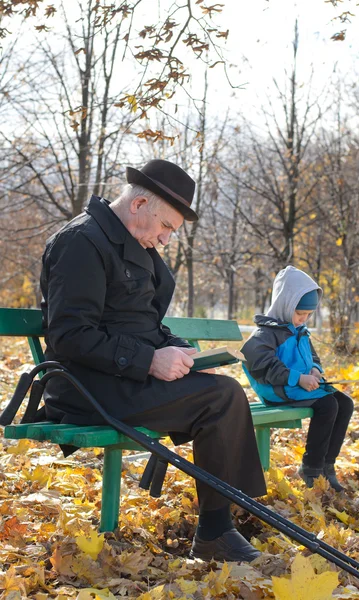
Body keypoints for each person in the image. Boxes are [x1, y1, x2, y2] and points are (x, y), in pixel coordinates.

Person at [39, 159, 266, 561]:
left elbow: (145, 324)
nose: (165, 240)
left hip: (123, 378)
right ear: (139, 203)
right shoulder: (81, 243)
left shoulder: (134, 244)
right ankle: (217, 529)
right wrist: (149, 361)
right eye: (166, 228)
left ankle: (226, 519)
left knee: (222, 392)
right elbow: (69, 335)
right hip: (83, 386)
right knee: (222, 397)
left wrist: (183, 353)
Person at [241, 266, 354, 492]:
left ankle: (326, 466)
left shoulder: (299, 329)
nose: (303, 320)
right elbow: (261, 365)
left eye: (308, 315)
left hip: (298, 384)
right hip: (277, 389)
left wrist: (314, 370)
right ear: (285, 304)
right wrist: (297, 378)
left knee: (345, 403)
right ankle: (311, 468)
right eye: (300, 314)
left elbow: (312, 356)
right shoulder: (265, 334)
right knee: (327, 405)